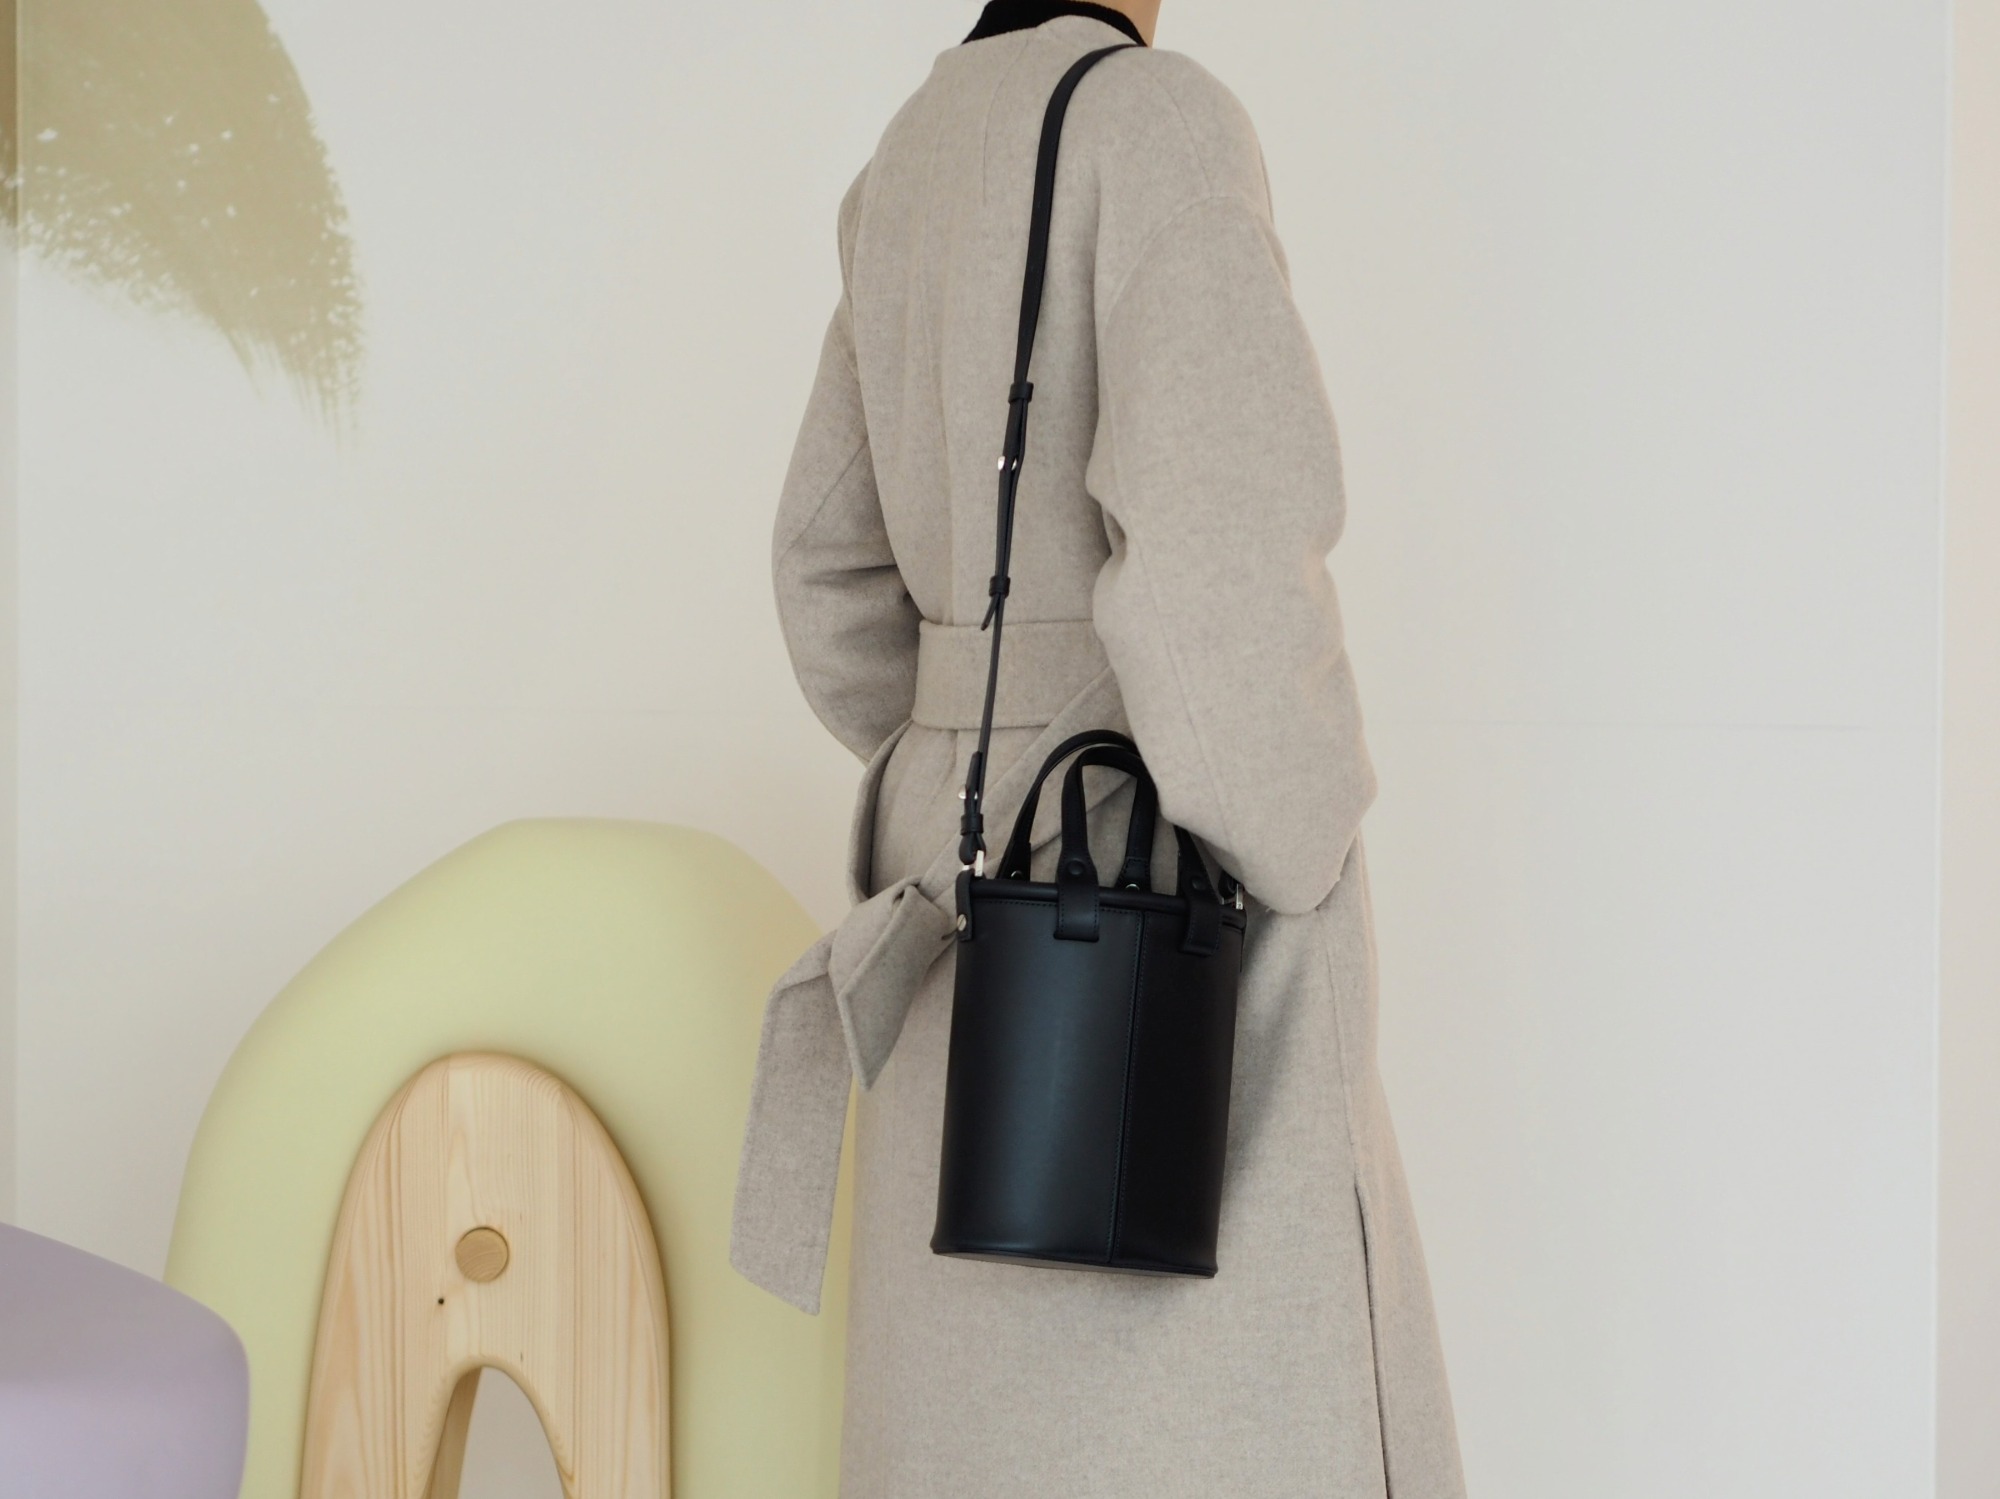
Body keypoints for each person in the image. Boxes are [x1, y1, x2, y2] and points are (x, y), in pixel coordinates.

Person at [732, 3, 1466, 1494]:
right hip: (1160, 895)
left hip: (959, 894)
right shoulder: (1158, 121)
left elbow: (826, 571)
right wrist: (1299, 828)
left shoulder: (911, 158)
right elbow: (1216, 580)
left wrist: (972, 742)